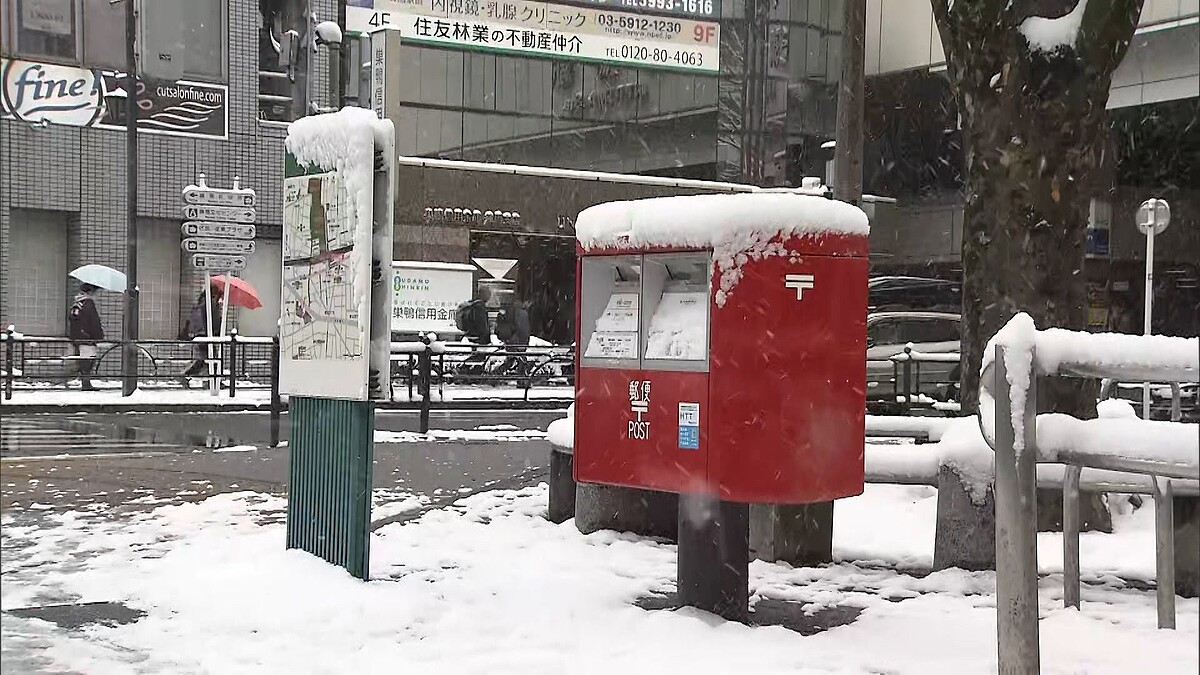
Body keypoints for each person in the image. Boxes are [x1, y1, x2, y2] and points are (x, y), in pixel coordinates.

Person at [181, 287, 223, 387]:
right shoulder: (210, 303)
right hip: (206, 335)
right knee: (212, 359)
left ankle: (209, 380)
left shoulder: (201, 302)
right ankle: (212, 382)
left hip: (200, 334)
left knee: (205, 359)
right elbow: (215, 321)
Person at [67, 283, 104, 391]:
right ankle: (86, 383)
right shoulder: (88, 303)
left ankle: (85, 382)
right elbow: (94, 322)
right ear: (91, 292)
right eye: (95, 292)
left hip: (77, 336)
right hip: (87, 337)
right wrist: (98, 337)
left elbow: (72, 320)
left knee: (84, 360)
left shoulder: (77, 303)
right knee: (89, 360)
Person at [495, 298, 531, 377]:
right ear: (525, 302)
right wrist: (525, 342)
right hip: (519, 341)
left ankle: (498, 373)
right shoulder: (523, 313)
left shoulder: (510, 310)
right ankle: (521, 380)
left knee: (512, 359)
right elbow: (524, 329)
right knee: (520, 360)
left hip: (511, 340)